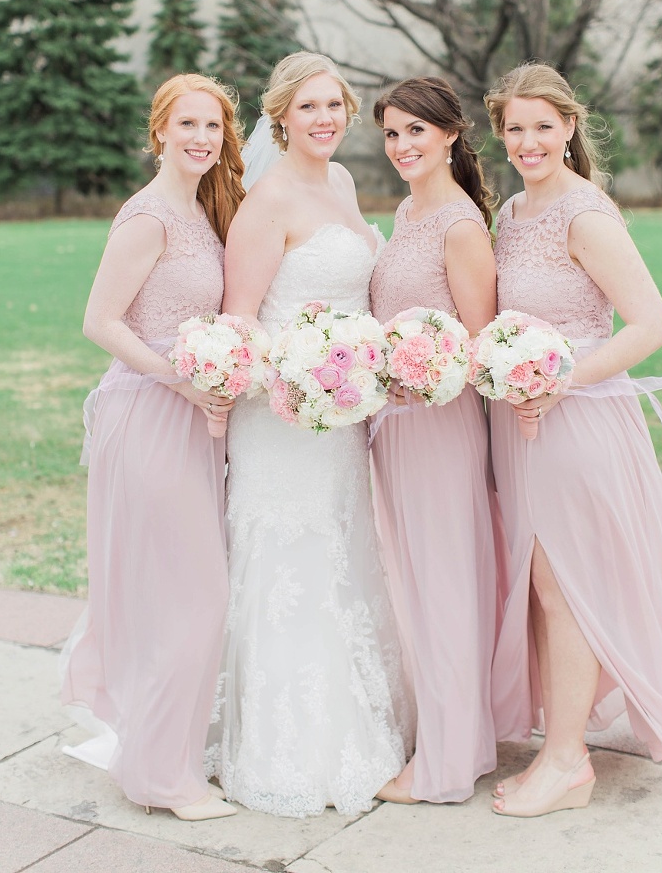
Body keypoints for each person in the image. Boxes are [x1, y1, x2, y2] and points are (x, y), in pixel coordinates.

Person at [484, 62, 662, 818]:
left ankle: (567, 765)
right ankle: (559, 739)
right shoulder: (512, 215)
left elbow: (651, 325)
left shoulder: (584, 214)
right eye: (515, 128)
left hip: (578, 421)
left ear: (569, 127)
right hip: (520, 423)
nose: (529, 141)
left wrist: (560, 380)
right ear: (501, 134)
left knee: (567, 588)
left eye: (543, 126)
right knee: (541, 584)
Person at [206, 51, 412, 818]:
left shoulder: (343, 183)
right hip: (280, 420)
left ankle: (356, 720)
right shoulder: (265, 203)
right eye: (311, 107)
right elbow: (240, 320)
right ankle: (279, 745)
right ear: (281, 116)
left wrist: (349, 374)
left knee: (344, 552)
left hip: (341, 418)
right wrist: (292, 378)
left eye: (336, 107)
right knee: (288, 561)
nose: (325, 119)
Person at [61, 73, 245, 820]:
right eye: (188, 124)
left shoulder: (199, 212)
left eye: (213, 127)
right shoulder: (147, 217)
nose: (202, 138)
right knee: (196, 594)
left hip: (193, 417)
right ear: (160, 130)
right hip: (150, 415)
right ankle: (160, 777)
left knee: (188, 591)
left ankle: (162, 755)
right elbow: (101, 321)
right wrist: (182, 379)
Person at [368, 77, 502, 804]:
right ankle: (455, 738)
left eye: (415, 131)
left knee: (443, 581)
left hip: (440, 428)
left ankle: (446, 767)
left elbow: (479, 349)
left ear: (451, 134)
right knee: (413, 580)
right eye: (391, 134)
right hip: (394, 427)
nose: (401, 147)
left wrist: (424, 377)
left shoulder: (459, 225)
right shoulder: (408, 209)